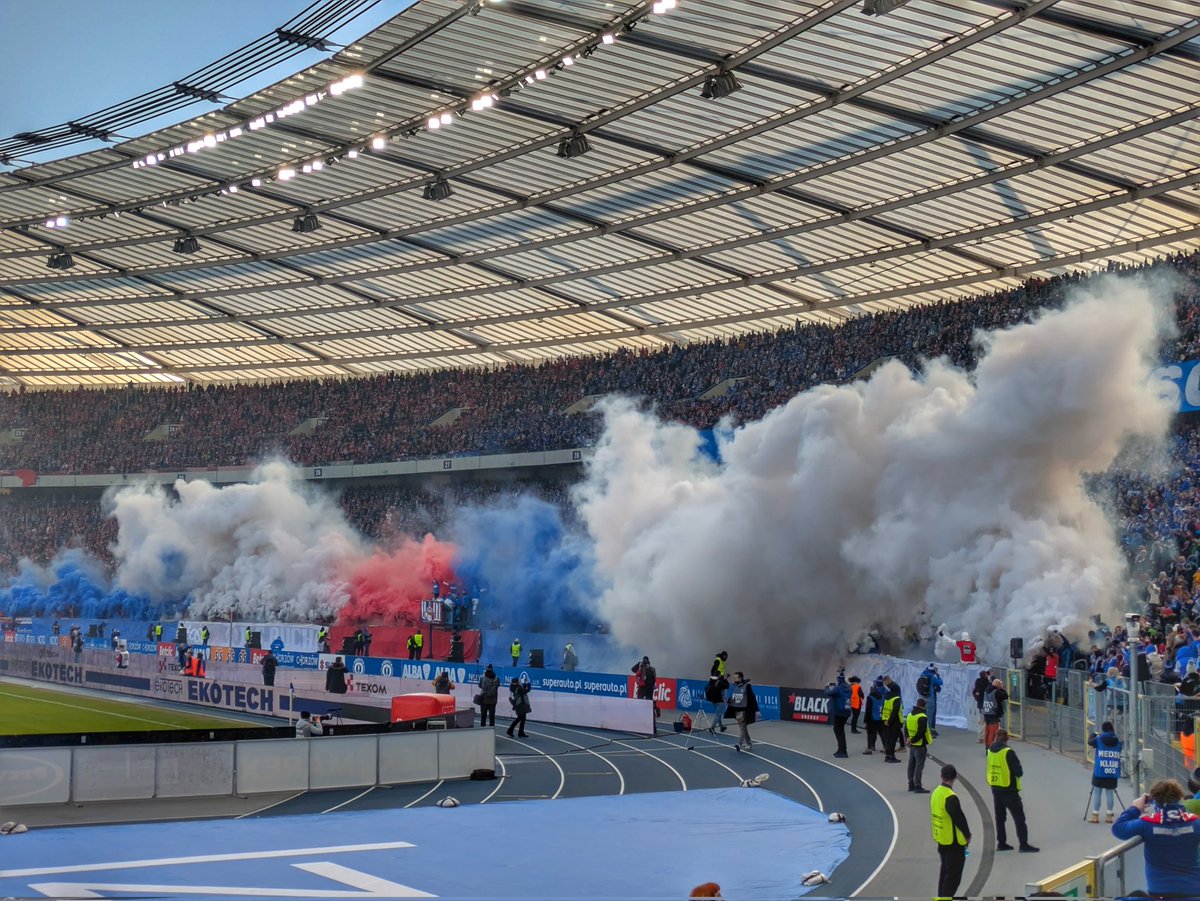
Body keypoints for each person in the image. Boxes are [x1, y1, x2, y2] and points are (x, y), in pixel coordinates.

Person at [1111, 779, 1200, 897]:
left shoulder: (1147, 824)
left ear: (1155, 801)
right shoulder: (1195, 823)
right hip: (1194, 891)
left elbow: (1118, 829)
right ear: (1180, 797)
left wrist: (1135, 808)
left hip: (1160, 892)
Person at [987, 728, 1038, 852]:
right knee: (1019, 817)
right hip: (1008, 788)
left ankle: (1001, 843)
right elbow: (1019, 772)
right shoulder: (1008, 752)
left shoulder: (990, 750)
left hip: (995, 786)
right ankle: (1023, 844)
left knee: (1000, 817)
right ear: (1007, 739)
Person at [931, 763, 971, 900]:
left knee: (944, 872)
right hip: (953, 841)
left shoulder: (936, 792)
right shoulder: (950, 796)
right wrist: (967, 834)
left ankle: (941, 897)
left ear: (941, 776)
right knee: (953, 876)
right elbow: (958, 817)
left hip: (941, 837)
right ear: (955, 778)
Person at [1087, 721, 1122, 823]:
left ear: (1103, 729)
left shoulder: (1099, 739)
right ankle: (1109, 816)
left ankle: (1095, 816)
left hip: (1100, 771)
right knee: (1110, 793)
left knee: (1097, 792)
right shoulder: (1118, 741)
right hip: (1112, 771)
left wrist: (1094, 734)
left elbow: (1090, 742)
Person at [726, 671, 758, 752]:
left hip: (744, 710)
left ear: (740, 678)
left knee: (742, 728)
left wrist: (757, 710)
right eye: (734, 677)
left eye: (736, 677)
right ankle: (748, 743)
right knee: (743, 728)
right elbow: (731, 697)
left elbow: (752, 698)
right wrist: (729, 700)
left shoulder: (747, 687)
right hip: (736, 710)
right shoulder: (734, 686)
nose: (735, 679)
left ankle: (739, 744)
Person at [823, 669, 852, 758]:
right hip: (847, 711)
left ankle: (843, 751)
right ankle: (841, 749)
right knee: (840, 730)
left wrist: (827, 686)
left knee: (838, 730)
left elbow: (827, 693)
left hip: (839, 712)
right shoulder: (849, 688)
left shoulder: (837, 689)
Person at [906, 697, 932, 793]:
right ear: (924, 706)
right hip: (919, 745)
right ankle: (918, 786)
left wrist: (908, 738)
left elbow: (906, 728)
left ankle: (910, 784)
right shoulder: (922, 717)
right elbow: (921, 731)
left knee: (911, 765)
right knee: (919, 766)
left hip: (911, 745)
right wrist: (913, 740)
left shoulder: (910, 715)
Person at [881, 676, 903, 763]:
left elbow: (884, 709)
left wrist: (886, 720)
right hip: (895, 722)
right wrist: (890, 720)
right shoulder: (896, 699)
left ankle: (887, 755)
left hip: (886, 720)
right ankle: (891, 756)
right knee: (893, 740)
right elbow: (895, 711)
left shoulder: (887, 698)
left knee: (888, 739)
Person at [918, 663, 943, 736]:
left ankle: (921, 730)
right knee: (929, 716)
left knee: (922, 714)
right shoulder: (932, 677)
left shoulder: (922, 675)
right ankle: (928, 732)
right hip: (930, 698)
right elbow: (940, 682)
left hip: (922, 697)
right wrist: (938, 675)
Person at [982, 677, 1008, 748]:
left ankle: (987, 746)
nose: (1001, 685)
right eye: (1000, 684)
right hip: (994, 714)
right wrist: (1001, 688)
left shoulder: (986, 690)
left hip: (986, 713)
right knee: (993, 732)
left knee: (987, 731)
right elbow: (1005, 696)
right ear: (998, 685)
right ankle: (990, 747)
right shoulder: (996, 692)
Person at [864, 676, 885, 754]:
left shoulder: (870, 697)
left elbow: (868, 710)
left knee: (870, 733)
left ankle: (870, 748)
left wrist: (866, 721)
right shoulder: (882, 697)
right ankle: (885, 747)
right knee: (882, 733)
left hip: (872, 718)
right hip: (880, 717)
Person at [972, 668, 992, 743]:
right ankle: (982, 737)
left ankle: (981, 736)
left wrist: (978, 700)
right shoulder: (986, 683)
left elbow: (975, 693)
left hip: (981, 704)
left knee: (982, 720)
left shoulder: (978, 682)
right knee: (985, 721)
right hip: (986, 704)